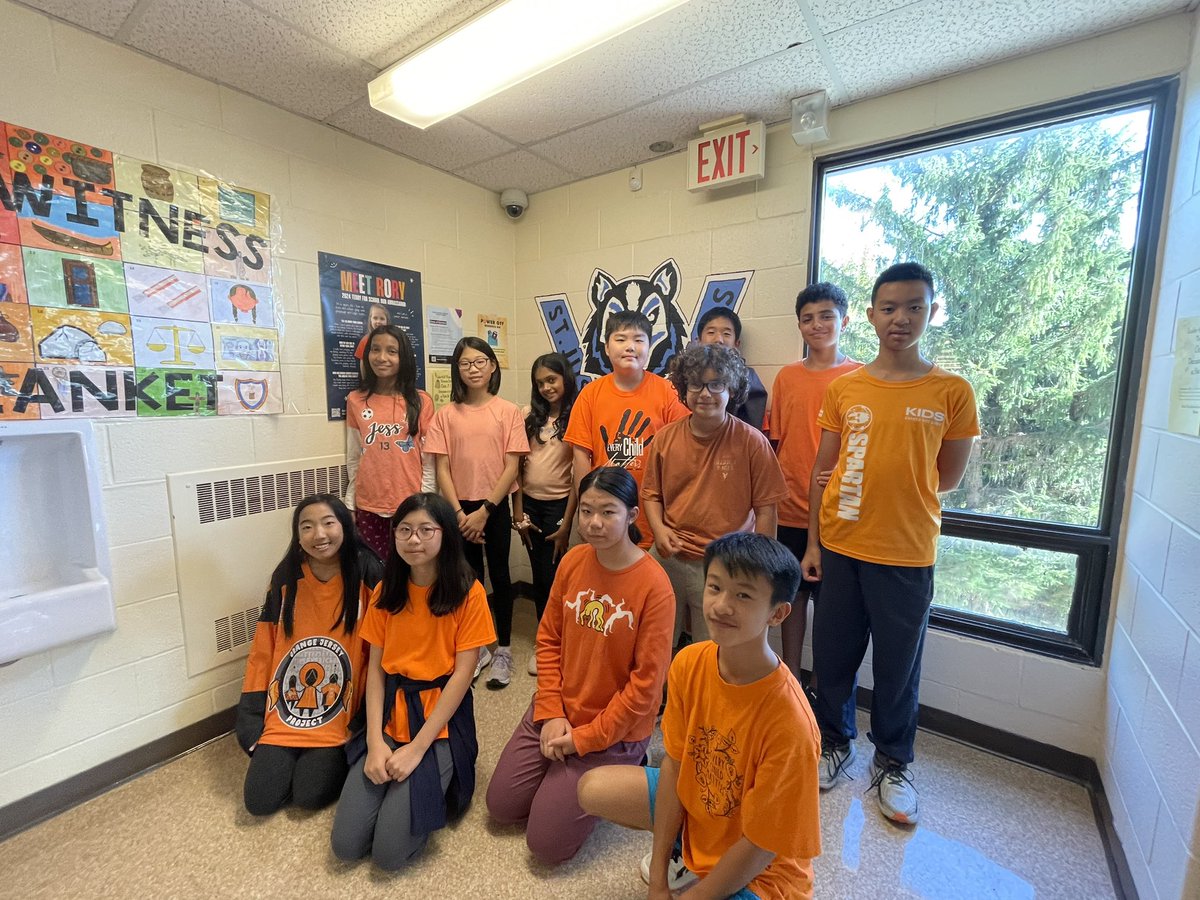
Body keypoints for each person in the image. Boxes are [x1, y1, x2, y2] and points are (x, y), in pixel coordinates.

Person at [801, 262, 979, 826]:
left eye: (914, 308)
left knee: (899, 669)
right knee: (832, 659)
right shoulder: (846, 388)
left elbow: (946, 477)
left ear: (930, 313)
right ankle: (834, 743)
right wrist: (813, 544)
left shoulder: (951, 391)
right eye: (889, 308)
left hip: (906, 554)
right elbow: (822, 472)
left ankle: (894, 763)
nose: (900, 319)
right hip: (842, 547)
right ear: (872, 315)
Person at [578, 532, 821, 900]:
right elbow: (675, 768)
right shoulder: (690, 661)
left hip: (765, 873)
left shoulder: (791, 721)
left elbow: (761, 845)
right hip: (703, 811)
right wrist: (658, 879)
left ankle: (703, 873)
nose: (721, 605)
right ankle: (684, 858)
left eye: (742, 595)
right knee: (591, 788)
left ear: (777, 612)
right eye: (715, 587)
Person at [487, 466, 674, 864]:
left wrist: (584, 740)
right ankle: (561, 777)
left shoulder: (655, 586)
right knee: (501, 807)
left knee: (546, 846)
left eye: (608, 512)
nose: (594, 522)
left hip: (613, 728)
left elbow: (645, 690)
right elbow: (549, 639)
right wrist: (552, 712)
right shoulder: (573, 561)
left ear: (632, 515)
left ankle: (632, 765)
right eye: (586, 511)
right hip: (561, 710)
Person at [330, 493, 496, 870]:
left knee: (389, 854)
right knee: (346, 845)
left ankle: (425, 779)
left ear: (445, 535)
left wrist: (418, 748)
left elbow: (460, 678)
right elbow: (375, 670)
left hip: (437, 723)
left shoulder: (468, 594)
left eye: (425, 530)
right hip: (390, 712)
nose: (414, 540)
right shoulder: (386, 589)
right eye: (404, 530)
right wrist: (374, 741)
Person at [235, 494, 383, 816]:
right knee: (259, 801)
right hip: (283, 716)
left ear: (345, 525)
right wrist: (250, 719)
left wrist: (362, 724)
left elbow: (381, 654)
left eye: (328, 523)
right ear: (298, 536)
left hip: (339, 720)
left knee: (308, 795)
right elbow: (263, 650)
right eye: (307, 527)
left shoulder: (368, 571)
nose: (319, 535)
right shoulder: (286, 577)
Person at [643, 343, 787, 648]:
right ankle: (660, 696)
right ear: (684, 389)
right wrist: (659, 529)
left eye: (716, 384)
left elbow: (766, 511)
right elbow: (651, 495)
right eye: (696, 384)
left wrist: (759, 569)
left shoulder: (752, 443)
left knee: (711, 650)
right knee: (654, 643)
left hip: (724, 565)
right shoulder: (665, 438)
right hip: (668, 555)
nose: (705, 393)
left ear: (731, 390)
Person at [767, 284, 862, 680]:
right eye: (808, 318)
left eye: (826, 316)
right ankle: (791, 681)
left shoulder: (861, 377)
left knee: (835, 613)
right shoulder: (787, 377)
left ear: (845, 319)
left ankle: (829, 691)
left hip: (839, 513)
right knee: (791, 602)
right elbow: (776, 442)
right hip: (789, 510)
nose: (817, 325)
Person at [425, 336, 529, 688]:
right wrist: (458, 513)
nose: (473, 369)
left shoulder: (508, 411)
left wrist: (485, 511)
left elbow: (512, 466)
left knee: (499, 576)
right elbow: (441, 469)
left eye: (480, 362)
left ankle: (502, 649)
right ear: (457, 369)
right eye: (466, 363)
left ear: (492, 366)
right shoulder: (445, 414)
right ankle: (475, 650)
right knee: (466, 580)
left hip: (493, 506)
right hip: (458, 508)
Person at [564, 310, 689, 550]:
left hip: (652, 515)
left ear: (650, 347)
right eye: (620, 339)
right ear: (607, 347)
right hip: (602, 512)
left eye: (639, 339)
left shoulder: (669, 393)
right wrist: (585, 509)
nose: (630, 346)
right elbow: (580, 457)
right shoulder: (590, 394)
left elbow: (681, 459)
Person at [512, 352, 578, 676]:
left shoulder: (578, 414)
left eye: (551, 379)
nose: (546, 387)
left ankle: (563, 642)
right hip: (531, 505)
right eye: (540, 383)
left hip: (560, 506)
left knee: (557, 577)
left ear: (565, 377)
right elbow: (518, 469)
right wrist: (519, 511)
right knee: (540, 576)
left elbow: (579, 476)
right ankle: (544, 640)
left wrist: (567, 524)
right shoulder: (528, 416)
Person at [345, 324, 435, 560]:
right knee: (375, 573)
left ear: (403, 356)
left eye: (391, 351)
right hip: (368, 504)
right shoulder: (356, 400)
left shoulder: (421, 401)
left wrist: (425, 501)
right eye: (375, 349)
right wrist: (350, 502)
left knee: (411, 569)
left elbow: (429, 460)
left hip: (410, 504)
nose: (382, 357)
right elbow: (354, 456)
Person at [695, 307, 767, 431]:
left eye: (726, 334)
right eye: (711, 332)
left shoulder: (748, 378)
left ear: (736, 344)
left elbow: (751, 429)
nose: (718, 340)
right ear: (699, 341)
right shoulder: (690, 375)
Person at [354, 303, 391, 370]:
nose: (378, 321)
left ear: (387, 321)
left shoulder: (392, 339)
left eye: (382, 319)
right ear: (370, 320)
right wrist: (365, 379)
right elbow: (362, 364)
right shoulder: (365, 340)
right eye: (375, 318)